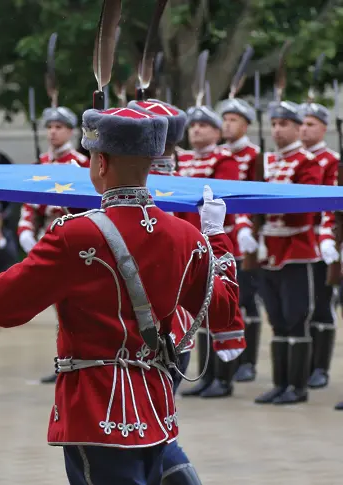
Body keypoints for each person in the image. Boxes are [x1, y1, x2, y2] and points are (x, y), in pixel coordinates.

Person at [0, 106, 240, 484]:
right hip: (156, 406)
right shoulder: (187, 237)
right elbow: (222, 312)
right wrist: (216, 237)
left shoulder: (73, 235)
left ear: (100, 162)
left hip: (95, 408)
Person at [128, 98, 245, 484]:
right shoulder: (174, 186)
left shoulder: (169, 193)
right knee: (152, 422)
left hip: (152, 330)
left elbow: (202, 269)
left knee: (149, 426)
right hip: (168, 328)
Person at [236, 101, 322, 405]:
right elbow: (247, 198)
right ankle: (280, 383)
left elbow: (304, 209)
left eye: (284, 124)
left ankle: (297, 387)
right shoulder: (266, 162)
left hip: (295, 250)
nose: (277, 130)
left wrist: (267, 204)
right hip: (267, 251)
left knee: (296, 317)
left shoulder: (308, 162)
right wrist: (246, 228)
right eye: (274, 124)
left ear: (299, 128)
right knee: (277, 318)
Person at [17, 106, 89, 384]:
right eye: (49, 127)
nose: (53, 132)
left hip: (76, 240)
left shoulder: (81, 163)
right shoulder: (41, 164)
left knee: (77, 305)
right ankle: (65, 360)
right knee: (59, 306)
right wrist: (25, 232)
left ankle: (80, 360)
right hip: (49, 238)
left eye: (59, 127)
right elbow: (28, 205)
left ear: (70, 131)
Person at [177, 106, 241, 399]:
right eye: (193, 126)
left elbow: (225, 200)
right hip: (190, 246)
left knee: (220, 308)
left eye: (204, 126)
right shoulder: (185, 160)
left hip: (215, 242)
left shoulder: (224, 160)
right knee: (198, 312)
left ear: (217, 132)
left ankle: (224, 378)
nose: (197, 130)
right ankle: (208, 375)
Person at [219, 98, 263, 383]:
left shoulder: (255, 155)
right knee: (225, 301)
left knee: (246, 300)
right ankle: (226, 359)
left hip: (244, 236)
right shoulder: (218, 155)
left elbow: (255, 199)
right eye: (224, 119)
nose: (227, 125)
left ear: (245, 124)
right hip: (221, 235)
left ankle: (247, 361)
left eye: (233, 120)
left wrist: (252, 233)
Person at [299, 102, 339, 389]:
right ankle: (303, 363)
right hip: (301, 241)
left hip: (324, 239)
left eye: (311, 124)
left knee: (323, 304)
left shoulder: (331, 160)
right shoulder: (293, 159)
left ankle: (320, 368)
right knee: (303, 306)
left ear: (324, 128)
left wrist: (329, 236)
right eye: (301, 124)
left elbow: (332, 205)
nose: (304, 129)